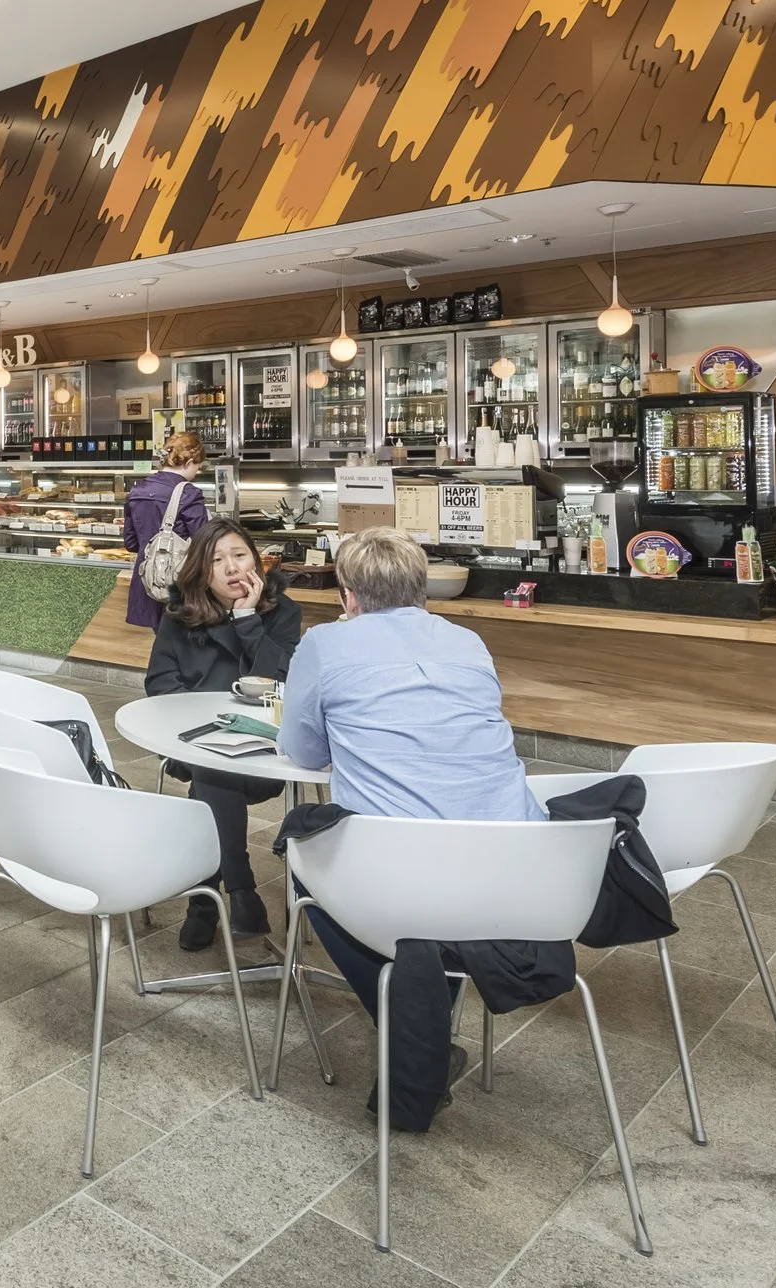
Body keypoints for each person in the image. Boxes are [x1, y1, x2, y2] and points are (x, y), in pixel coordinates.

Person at [275, 526, 544, 1127]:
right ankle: (425, 1026)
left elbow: (302, 752)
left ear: (347, 595)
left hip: (396, 871)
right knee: (430, 911)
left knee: (303, 874)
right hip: (515, 866)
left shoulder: (323, 645)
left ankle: (414, 1034)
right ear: (424, 590)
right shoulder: (469, 641)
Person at [144, 518, 302, 960]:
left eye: (240, 555)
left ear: (255, 560)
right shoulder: (179, 615)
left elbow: (284, 679)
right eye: (217, 560)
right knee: (212, 765)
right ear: (200, 570)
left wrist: (247, 619)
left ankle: (204, 899)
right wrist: (202, 719)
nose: (232, 568)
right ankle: (239, 888)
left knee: (215, 775)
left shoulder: (282, 612)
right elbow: (159, 684)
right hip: (192, 747)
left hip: (264, 753)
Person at [122, 431, 210, 629]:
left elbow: (131, 543)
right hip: (179, 583)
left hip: (149, 579)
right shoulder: (189, 493)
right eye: (197, 467)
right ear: (188, 463)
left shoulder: (137, 490)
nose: (196, 473)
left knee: (163, 643)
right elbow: (204, 541)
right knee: (183, 647)